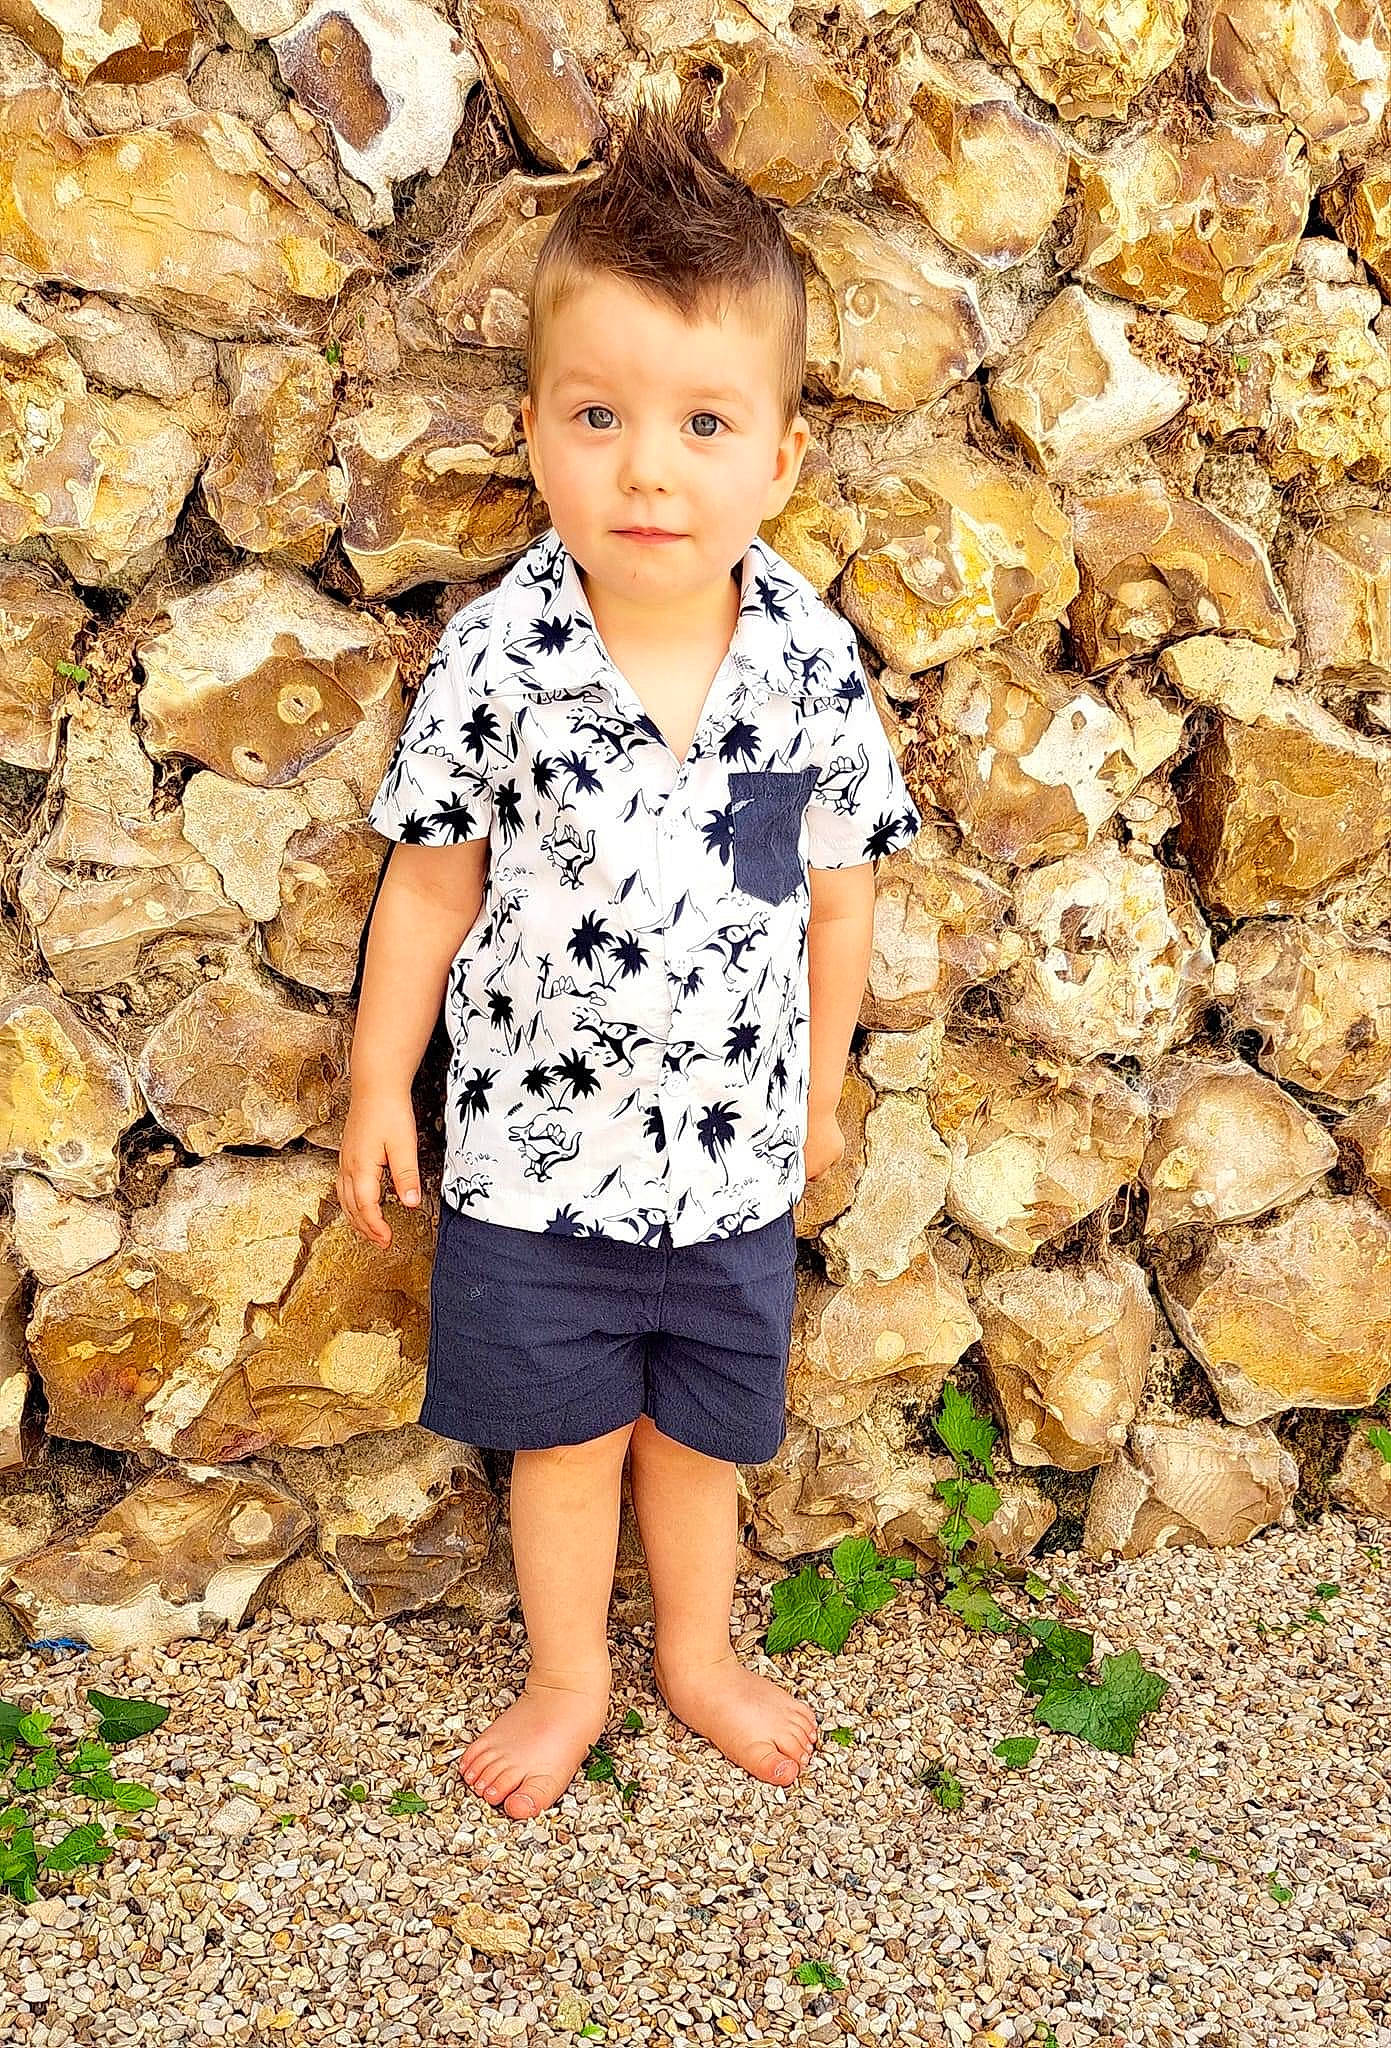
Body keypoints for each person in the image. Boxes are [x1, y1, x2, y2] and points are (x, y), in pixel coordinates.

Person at [338, 78, 923, 1823]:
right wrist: (382, 1081)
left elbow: (837, 901)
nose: (647, 469)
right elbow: (434, 888)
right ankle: (571, 1678)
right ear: (533, 427)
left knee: (705, 1439)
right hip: (534, 1166)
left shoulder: (810, 664)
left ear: (782, 453)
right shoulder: (502, 655)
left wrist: (819, 1099)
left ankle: (697, 1652)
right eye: (599, 415)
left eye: (702, 424)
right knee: (568, 1438)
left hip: (733, 1166)